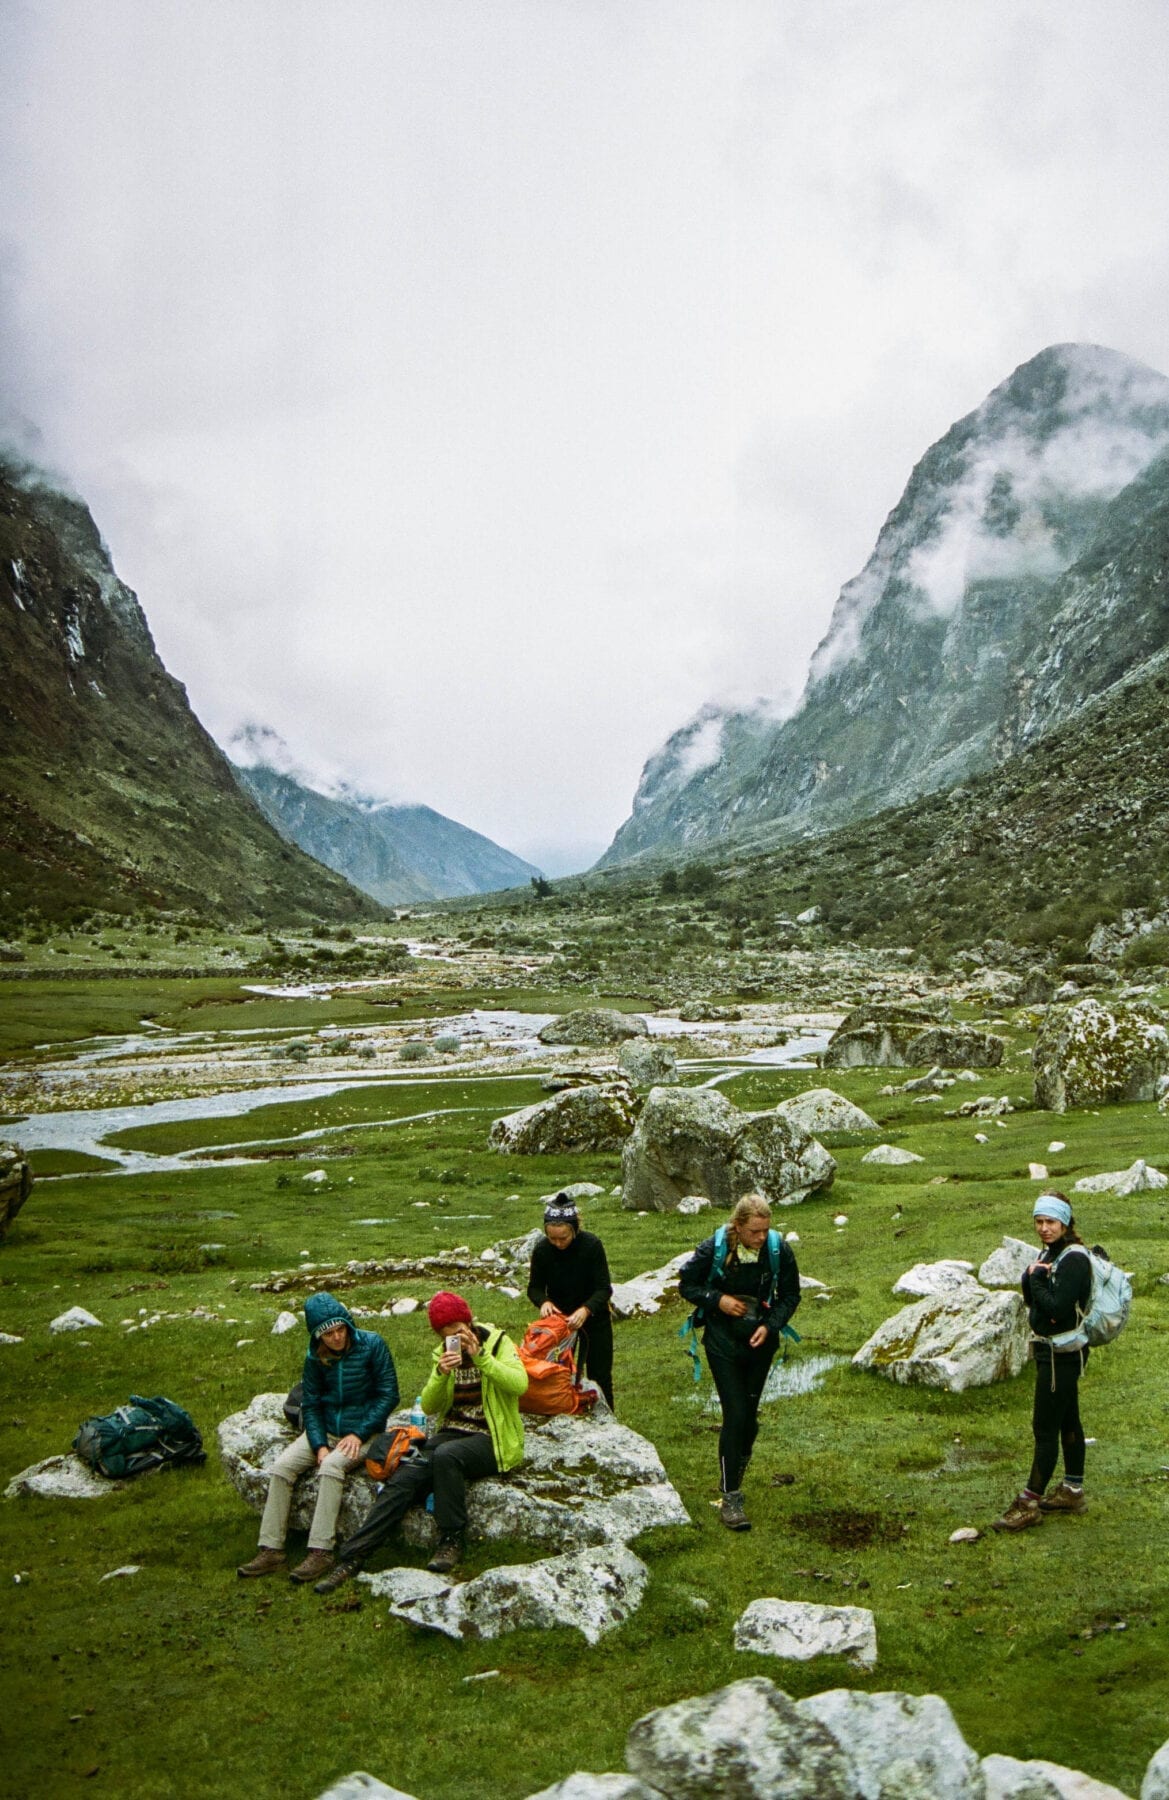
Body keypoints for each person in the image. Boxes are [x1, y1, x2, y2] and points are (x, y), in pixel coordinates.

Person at [313, 1290, 528, 1593]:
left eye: (458, 1331)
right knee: (405, 1474)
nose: (454, 1338)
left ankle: (451, 1539)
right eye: (445, 1335)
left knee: (446, 1457)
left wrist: (481, 1358)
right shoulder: (443, 1354)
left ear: (469, 1321)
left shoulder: (497, 1342)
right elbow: (429, 1406)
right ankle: (352, 1557)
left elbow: (520, 1385)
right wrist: (441, 1373)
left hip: (492, 1439)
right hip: (454, 1430)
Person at [237, 1291, 399, 1582]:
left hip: (366, 1431)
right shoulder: (314, 1357)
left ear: (347, 1324)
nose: (337, 1338)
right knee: (282, 1467)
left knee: (331, 1467)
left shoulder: (373, 1344)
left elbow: (388, 1395)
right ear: (317, 1337)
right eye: (328, 1334)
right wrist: (319, 1443)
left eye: (340, 1330)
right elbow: (310, 1403)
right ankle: (271, 1549)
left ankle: (321, 1551)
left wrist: (359, 1434)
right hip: (325, 1429)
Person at [677, 1193, 800, 1532]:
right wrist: (718, 1300)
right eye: (754, 1232)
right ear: (738, 1226)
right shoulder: (713, 1249)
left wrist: (770, 1325)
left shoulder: (778, 1250)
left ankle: (732, 1469)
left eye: (765, 1231)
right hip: (722, 1343)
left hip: (760, 1342)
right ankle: (731, 1497)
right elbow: (686, 1284)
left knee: (750, 1419)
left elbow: (791, 1295)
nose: (761, 1238)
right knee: (736, 1414)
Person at [992, 1192, 1094, 1532]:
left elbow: (1054, 1308)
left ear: (1064, 1222)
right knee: (1068, 1420)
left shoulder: (1075, 1260)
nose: (1043, 1228)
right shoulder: (1049, 1254)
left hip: (1061, 1357)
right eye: (1038, 1222)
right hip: (1052, 1351)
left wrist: (1034, 1279)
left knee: (1044, 1429)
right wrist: (1032, 1281)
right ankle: (1072, 1490)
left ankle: (1029, 1502)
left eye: (1050, 1222)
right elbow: (1035, 1304)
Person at [527, 1194, 615, 1409]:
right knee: (557, 1372)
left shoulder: (592, 1246)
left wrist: (586, 1310)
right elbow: (534, 1288)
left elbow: (604, 1289)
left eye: (563, 1238)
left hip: (594, 1319)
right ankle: (561, 1410)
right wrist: (544, 1302)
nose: (558, 1243)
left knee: (600, 1375)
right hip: (559, 1324)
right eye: (552, 1238)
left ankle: (606, 1419)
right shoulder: (542, 1250)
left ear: (574, 1230)